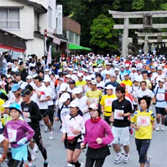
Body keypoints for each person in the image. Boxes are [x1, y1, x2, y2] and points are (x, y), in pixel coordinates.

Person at [20, 88, 49, 167]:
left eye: (24, 96)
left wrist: (29, 115)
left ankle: (46, 160)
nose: (23, 97)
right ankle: (31, 161)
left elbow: (39, 117)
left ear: (29, 95)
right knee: (24, 145)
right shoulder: (22, 104)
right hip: (26, 127)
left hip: (34, 127)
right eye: (22, 96)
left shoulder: (33, 104)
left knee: (40, 144)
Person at [81, 103, 114, 167]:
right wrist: (84, 143)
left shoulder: (103, 123)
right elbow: (86, 135)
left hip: (101, 149)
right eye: (90, 111)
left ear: (98, 112)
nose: (92, 112)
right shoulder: (87, 122)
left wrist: (102, 140)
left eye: (94, 111)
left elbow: (111, 136)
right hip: (91, 148)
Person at [4, 103, 34, 167]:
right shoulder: (8, 123)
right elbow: (5, 134)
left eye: (15, 112)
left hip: (20, 148)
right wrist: (6, 142)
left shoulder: (23, 123)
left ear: (19, 113)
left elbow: (32, 132)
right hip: (11, 148)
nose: (13, 114)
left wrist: (25, 139)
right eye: (12, 112)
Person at [131, 96, 155, 167]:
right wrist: (135, 127)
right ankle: (147, 159)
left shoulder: (150, 113)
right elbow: (131, 123)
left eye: (143, 103)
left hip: (147, 136)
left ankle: (142, 165)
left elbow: (153, 121)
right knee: (140, 152)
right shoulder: (136, 113)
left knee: (142, 153)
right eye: (140, 103)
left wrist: (153, 126)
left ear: (147, 104)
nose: (142, 104)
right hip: (138, 136)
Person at [111, 86, 133, 164]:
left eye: (119, 93)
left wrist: (123, 115)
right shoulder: (114, 102)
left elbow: (130, 112)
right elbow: (112, 112)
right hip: (115, 125)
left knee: (125, 143)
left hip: (124, 125)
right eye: (116, 93)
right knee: (113, 142)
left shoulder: (127, 102)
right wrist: (111, 118)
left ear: (123, 93)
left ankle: (126, 155)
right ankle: (118, 154)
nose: (117, 94)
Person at [61, 101, 85, 167]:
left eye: (73, 108)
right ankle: (78, 165)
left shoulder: (81, 118)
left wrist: (79, 131)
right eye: (70, 108)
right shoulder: (66, 117)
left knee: (74, 159)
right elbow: (64, 126)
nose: (71, 110)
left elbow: (85, 129)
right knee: (69, 160)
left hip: (78, 140)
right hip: (69, 139)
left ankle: (78, 165)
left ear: (77, 109)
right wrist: (64, 134)